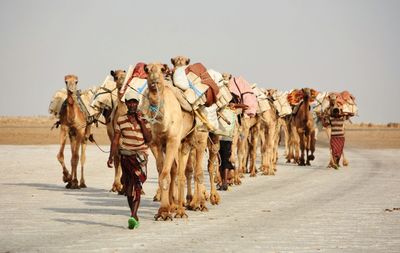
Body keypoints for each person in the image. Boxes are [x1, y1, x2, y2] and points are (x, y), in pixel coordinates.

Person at [107, 91, 152, 229]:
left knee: (137, 185)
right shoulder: (120, 119)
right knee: (128, 187)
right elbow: (115, 140)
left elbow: (149, 139)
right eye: (130, 102)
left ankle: (133, 215)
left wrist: (140, 122)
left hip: (140, 157)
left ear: (137, 103)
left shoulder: (144, 118)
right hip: (126, 156)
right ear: (126, 103)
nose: (132, 105)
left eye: (134, 102)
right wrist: (111, 156)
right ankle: (134, 214)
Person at [217, 102, 237, 191]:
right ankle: (223, 181)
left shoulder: (225, 112)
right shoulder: (232, 113)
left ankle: (224, 182)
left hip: (220, 137)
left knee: (221, 160)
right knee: (223, 160)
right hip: (227, 138)